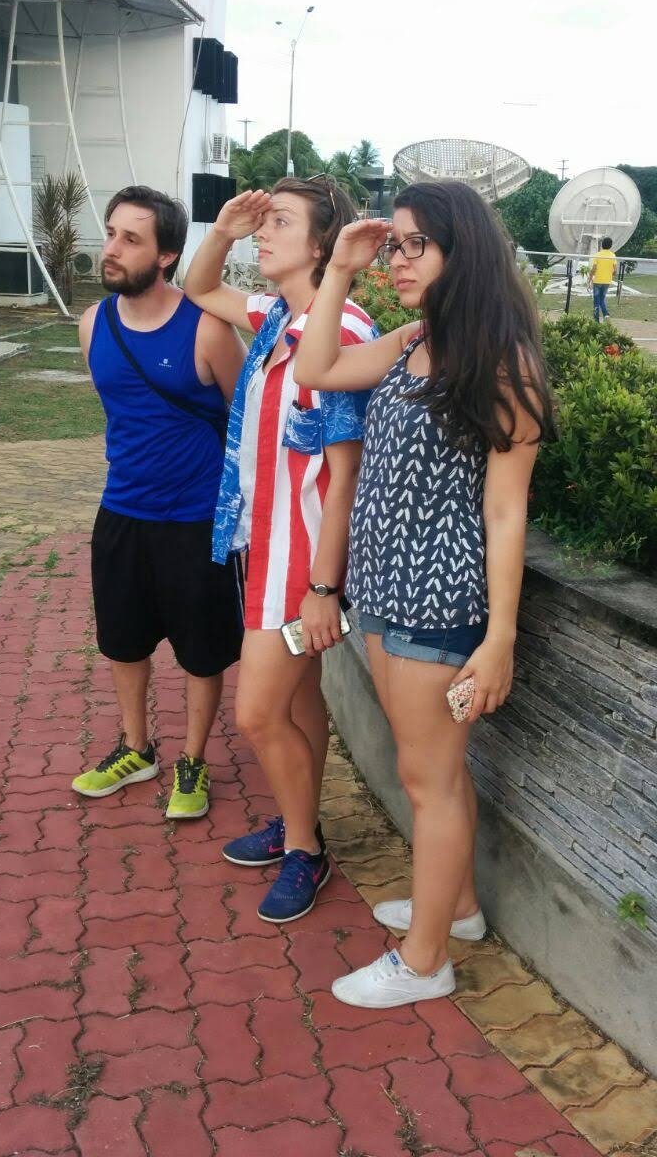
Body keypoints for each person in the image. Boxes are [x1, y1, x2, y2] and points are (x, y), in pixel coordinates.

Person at [295, 181, 555, 1006]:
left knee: (428, 781)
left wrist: (499, 637)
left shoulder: (502, 364)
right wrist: (340, 267)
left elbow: (506, 510)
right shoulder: (415, 341)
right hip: (384, 589)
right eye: (395, 245)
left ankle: (424, 960)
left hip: (437, 607)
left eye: (417, 246)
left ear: (461, 252)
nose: (399, 261)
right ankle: (460, 908)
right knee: (436, 773)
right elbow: (316, 368)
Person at [183, 179, 378, 923]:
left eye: (280, 222)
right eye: (263, 222)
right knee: (299, 701)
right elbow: (200, 287)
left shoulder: (343, 330)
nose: (263, 233)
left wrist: (323, 589)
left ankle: (305, 848)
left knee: (258, 714)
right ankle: (300, 821)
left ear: (323, 245)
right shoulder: (274, 317)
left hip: (301, 560)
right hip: (259, 543)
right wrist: (224, 229)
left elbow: (345, 475)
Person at [71, 185, 247, 820]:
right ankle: (136, 747)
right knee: (122, 642)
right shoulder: (93, 324)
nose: (111, 249)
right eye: (110, 233)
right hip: (121, 512)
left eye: (131, 239)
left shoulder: (207, 327)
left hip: (196, 521)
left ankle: (192, 760)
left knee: (201, 650)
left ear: (167, 255)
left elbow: (244, 419)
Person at [588, 236, 617, 321]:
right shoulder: (612, 255)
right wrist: (610, 275)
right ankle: (606, 315)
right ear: (610, 245)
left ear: (602, 244)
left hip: (597, 281)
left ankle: (596, 320)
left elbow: (594, 269)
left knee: (596, 301)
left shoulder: (598, 255)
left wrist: (590, 277)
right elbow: (615, 271)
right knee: (602, 299)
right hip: (607, 281)